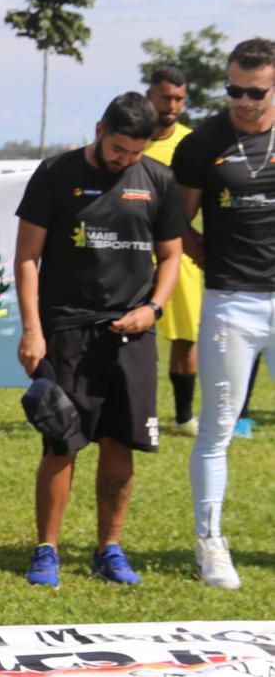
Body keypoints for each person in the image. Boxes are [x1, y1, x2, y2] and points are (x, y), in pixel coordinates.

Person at [13, 93, 184, 589]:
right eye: (118, 148)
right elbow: (27, 257)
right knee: (61, 440)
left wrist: (151, 309)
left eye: (135, 152)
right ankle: (47, 550)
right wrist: (32, 329)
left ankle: (109, 548)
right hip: (67, 328)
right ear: (98, 128)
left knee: (121, 441)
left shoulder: (158, 180)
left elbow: (170, 257)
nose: (124, 160)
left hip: (133, 332)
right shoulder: (55, 173)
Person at [174, 36, 275, 589]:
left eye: (254, 92)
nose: (242, 100)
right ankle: (210, 544)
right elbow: (178, 223)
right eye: (233, 89)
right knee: (216, 430)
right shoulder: (204, 142)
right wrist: (202, 254)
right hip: (231, 301)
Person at [142, 67, 202, 435]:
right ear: (149, 95)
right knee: (134, 337)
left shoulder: (191, 143)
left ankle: (182, 417)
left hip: (178, 253)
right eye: (166, 97)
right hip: (130, 254)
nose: (173, 106)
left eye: (179, 98)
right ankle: (136, 408)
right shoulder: (130, 139)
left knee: (185, 337)